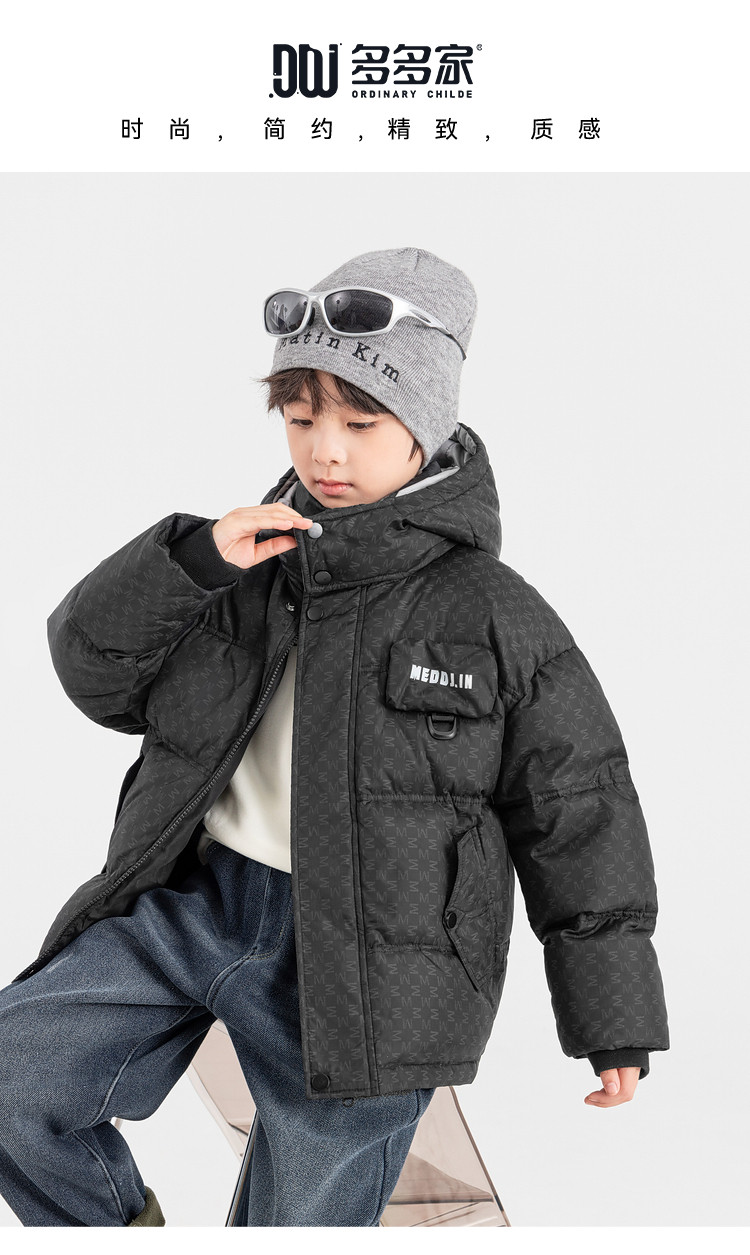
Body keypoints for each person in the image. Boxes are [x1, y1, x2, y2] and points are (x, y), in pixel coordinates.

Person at [0, 247, 669, 1227]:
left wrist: (612, 1015)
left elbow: (580, 809)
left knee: (303, 1222)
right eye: (302, 417)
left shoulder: (493, 612)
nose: (327, 452)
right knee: (15, 1076)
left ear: (427, 424)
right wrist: (193, 562)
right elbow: (94, 672)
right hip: (195, 905)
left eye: (362, 423)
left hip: (374, 965)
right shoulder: (244, 561)